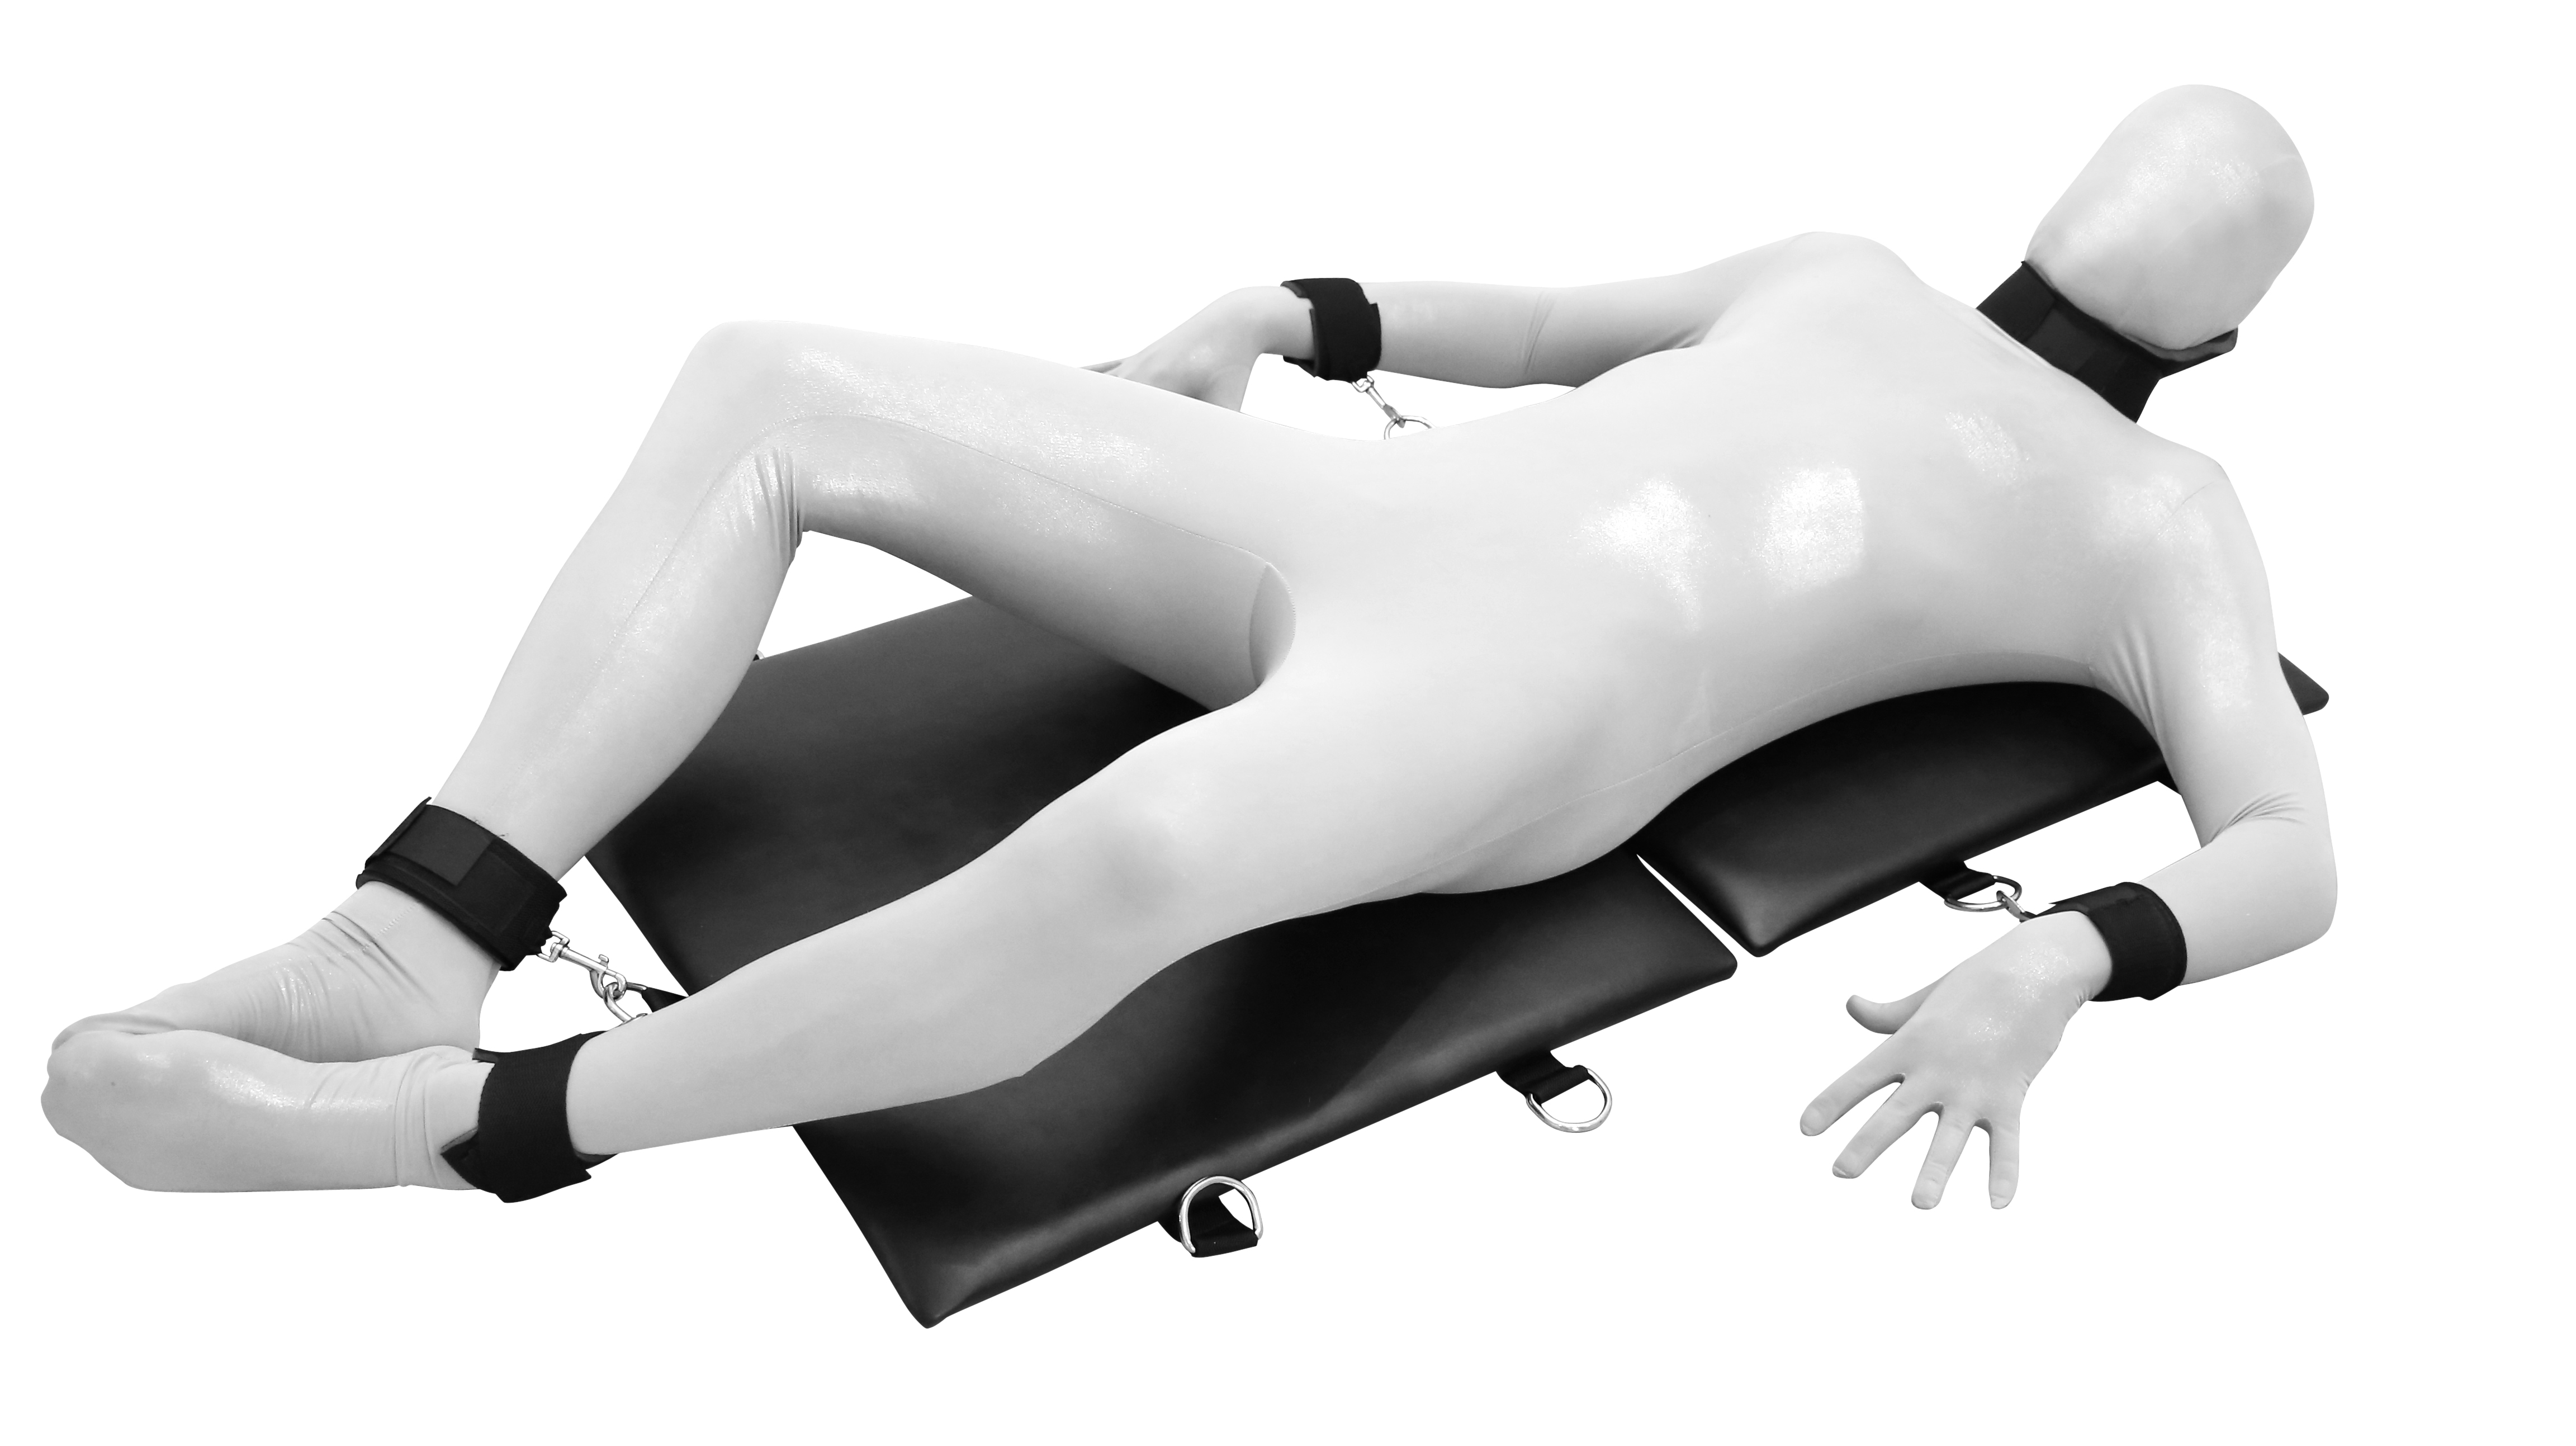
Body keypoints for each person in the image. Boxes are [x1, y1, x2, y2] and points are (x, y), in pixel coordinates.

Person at [44, 84, 2329, 1212]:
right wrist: (1280, 308)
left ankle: (473, 1132)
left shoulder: (2156, 515)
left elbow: (2285, 847)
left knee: (1134, 857)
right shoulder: (1845, 271)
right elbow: (1545, 322)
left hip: (1552, 699)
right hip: (1374, 517)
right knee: (773, 382)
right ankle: (420, 931)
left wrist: (2064, 957)